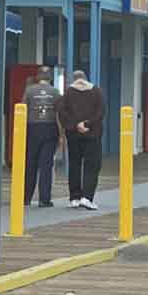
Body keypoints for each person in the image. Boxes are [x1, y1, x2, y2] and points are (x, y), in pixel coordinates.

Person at [60, 68, 105, 210]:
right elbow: (101, 112)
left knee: (74, 165)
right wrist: (87, 124)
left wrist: (75, 125)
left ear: (73, 80)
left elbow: (63, 112)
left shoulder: (68, 92)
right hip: (92, 135)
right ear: (86, 78)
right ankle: (87, 197)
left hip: (73, 135)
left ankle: (74, 197)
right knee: (92, 166)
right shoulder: (96, 91)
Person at [22, 68, 62, 207]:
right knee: (46, 166)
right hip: (50, 129)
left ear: (38, 77)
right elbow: (60, 114)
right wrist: (61, 136)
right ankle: (44, 199)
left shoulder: (29, 91)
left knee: (30, 164)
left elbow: (22, 109)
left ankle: (26, 198)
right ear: (50, 78)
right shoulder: (55, 92)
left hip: (32, 129)